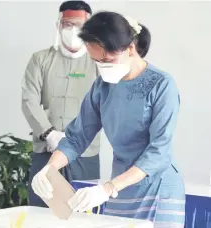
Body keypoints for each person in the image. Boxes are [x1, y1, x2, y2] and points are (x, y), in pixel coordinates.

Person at [31, 11, 185, 227]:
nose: (102, 66)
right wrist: (50, 169)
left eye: (107, 60)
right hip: (119, 191)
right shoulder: (102, 87)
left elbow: (159, 151)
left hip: (157, 190)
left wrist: (108, 188)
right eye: (95, 61)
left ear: (130, 48)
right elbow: (77, 138)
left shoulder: (162, 85)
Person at [21, 1, 101, 207]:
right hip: (45, 150)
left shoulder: (100, 63)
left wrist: (78, 138)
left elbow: (106, 106)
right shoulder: (40, 59)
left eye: (80, 25)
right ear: (58, 26)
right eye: (67, 24)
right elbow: (29, 100)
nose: (73, 30)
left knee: (81, 213)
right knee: (41, 210)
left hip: (85, 154)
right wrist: (49, 134)